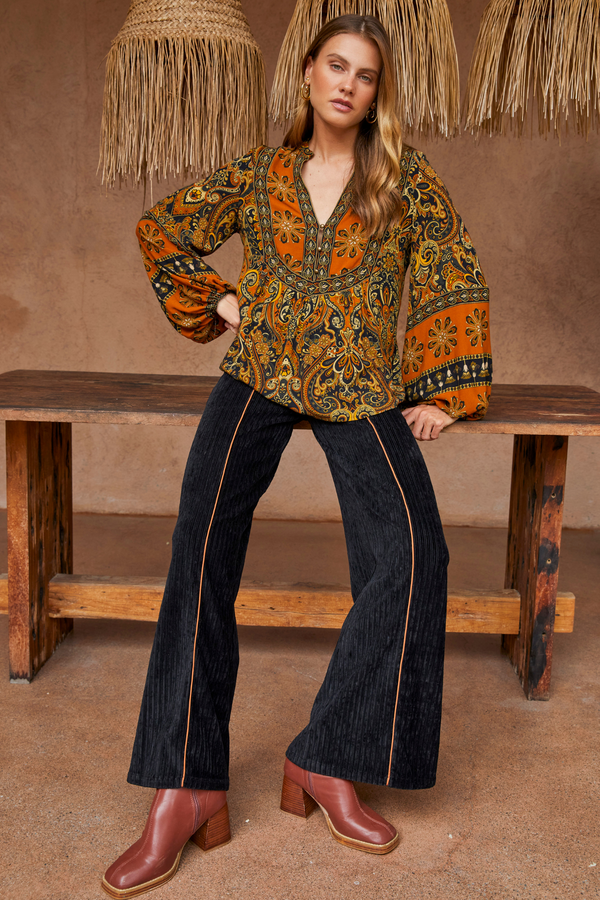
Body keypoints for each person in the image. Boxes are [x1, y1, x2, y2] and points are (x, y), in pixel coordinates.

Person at [102, 14, 491, 898]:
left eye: (365, 74)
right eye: (335, 65)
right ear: (309, 75)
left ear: (375, 93)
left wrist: (443, 389)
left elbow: (453, 269)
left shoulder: (402, 182)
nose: (348, 83)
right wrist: (224, 302)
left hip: (359, 385)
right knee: (198, 552)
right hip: (260, 371)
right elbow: (163, 229)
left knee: (415, 556)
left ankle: (326, 757)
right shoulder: (261, 173)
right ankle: (185, 786)